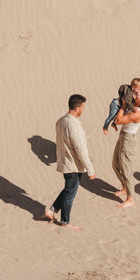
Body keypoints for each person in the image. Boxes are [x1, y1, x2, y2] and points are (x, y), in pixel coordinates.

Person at [43, 94, 95, 230]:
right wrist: (90, 169)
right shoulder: (73, 124)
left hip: (65, 162)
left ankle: (51, 210)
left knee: (68, 190)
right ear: (77, 108)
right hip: (73, 164)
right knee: (70, 194)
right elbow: (80, 149)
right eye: (83, 107)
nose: (83, 110)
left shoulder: (60, 121)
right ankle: (65, 222)